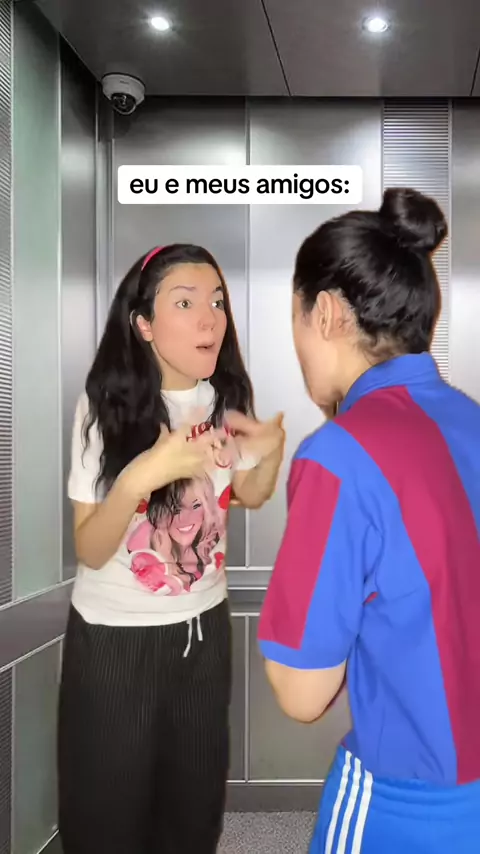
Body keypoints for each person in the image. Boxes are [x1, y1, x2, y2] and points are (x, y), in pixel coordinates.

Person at [257, 188, 480, 854]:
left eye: (295, 319)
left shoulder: (337, 456)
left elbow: (302, 692)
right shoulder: (472, 421)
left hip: (409, 806)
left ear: (326, 313)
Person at [58, 243, 285, 854]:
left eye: (217, 301)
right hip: (115, 639)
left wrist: (269, 453)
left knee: (192, 810)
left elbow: (249, 493)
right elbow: (90, 548)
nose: (209, 318)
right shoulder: (103, 407)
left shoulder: (225, 401)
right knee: (106, 815)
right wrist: (141, 478)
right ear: (144, 325)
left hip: (204, 632)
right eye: (184, 303)